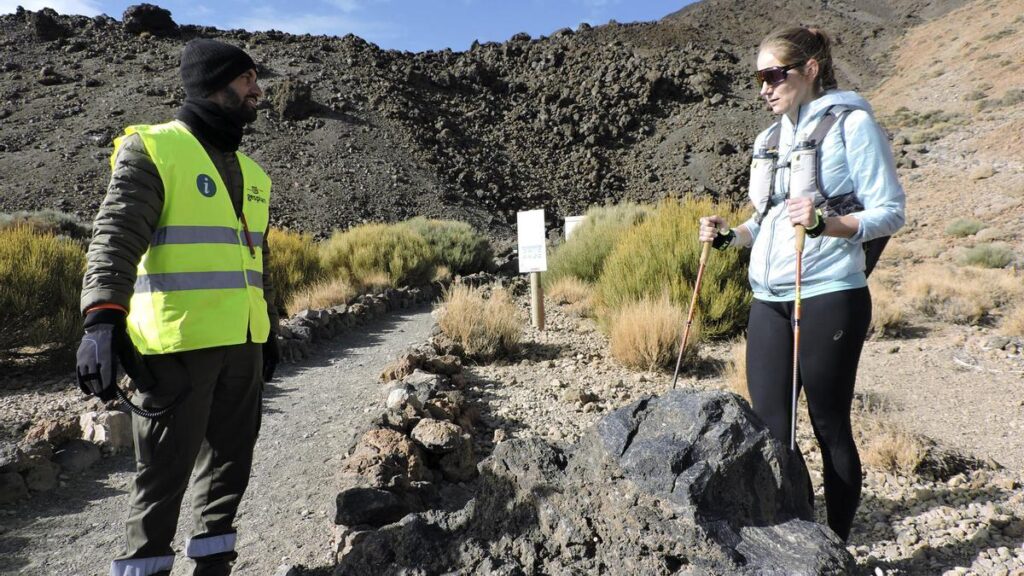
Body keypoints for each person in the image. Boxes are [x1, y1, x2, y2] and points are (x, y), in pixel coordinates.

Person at [76, 38, 280, 576]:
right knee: (162, 480)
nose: (257, 90)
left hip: (242, 346)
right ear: (213, 84)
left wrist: (269, 328)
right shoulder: (155, 149)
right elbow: (116, 235)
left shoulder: (254, 174)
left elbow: (255, 264)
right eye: (246, 80)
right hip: (177, 350)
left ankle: (215, 566)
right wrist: (101, 318)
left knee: (229, 473)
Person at [699, 26, 905, 541]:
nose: (764, 87)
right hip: (768, 298)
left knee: (829, 426)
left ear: (810, 70)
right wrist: (729, 236)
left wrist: (826, 226)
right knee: (772, 429)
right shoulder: (767, 139)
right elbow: (764, 218)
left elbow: (891, 211)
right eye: (758, 77)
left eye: (774, 74)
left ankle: (836, 544)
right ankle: (788, 536)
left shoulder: (851, 125)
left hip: (830, 293)